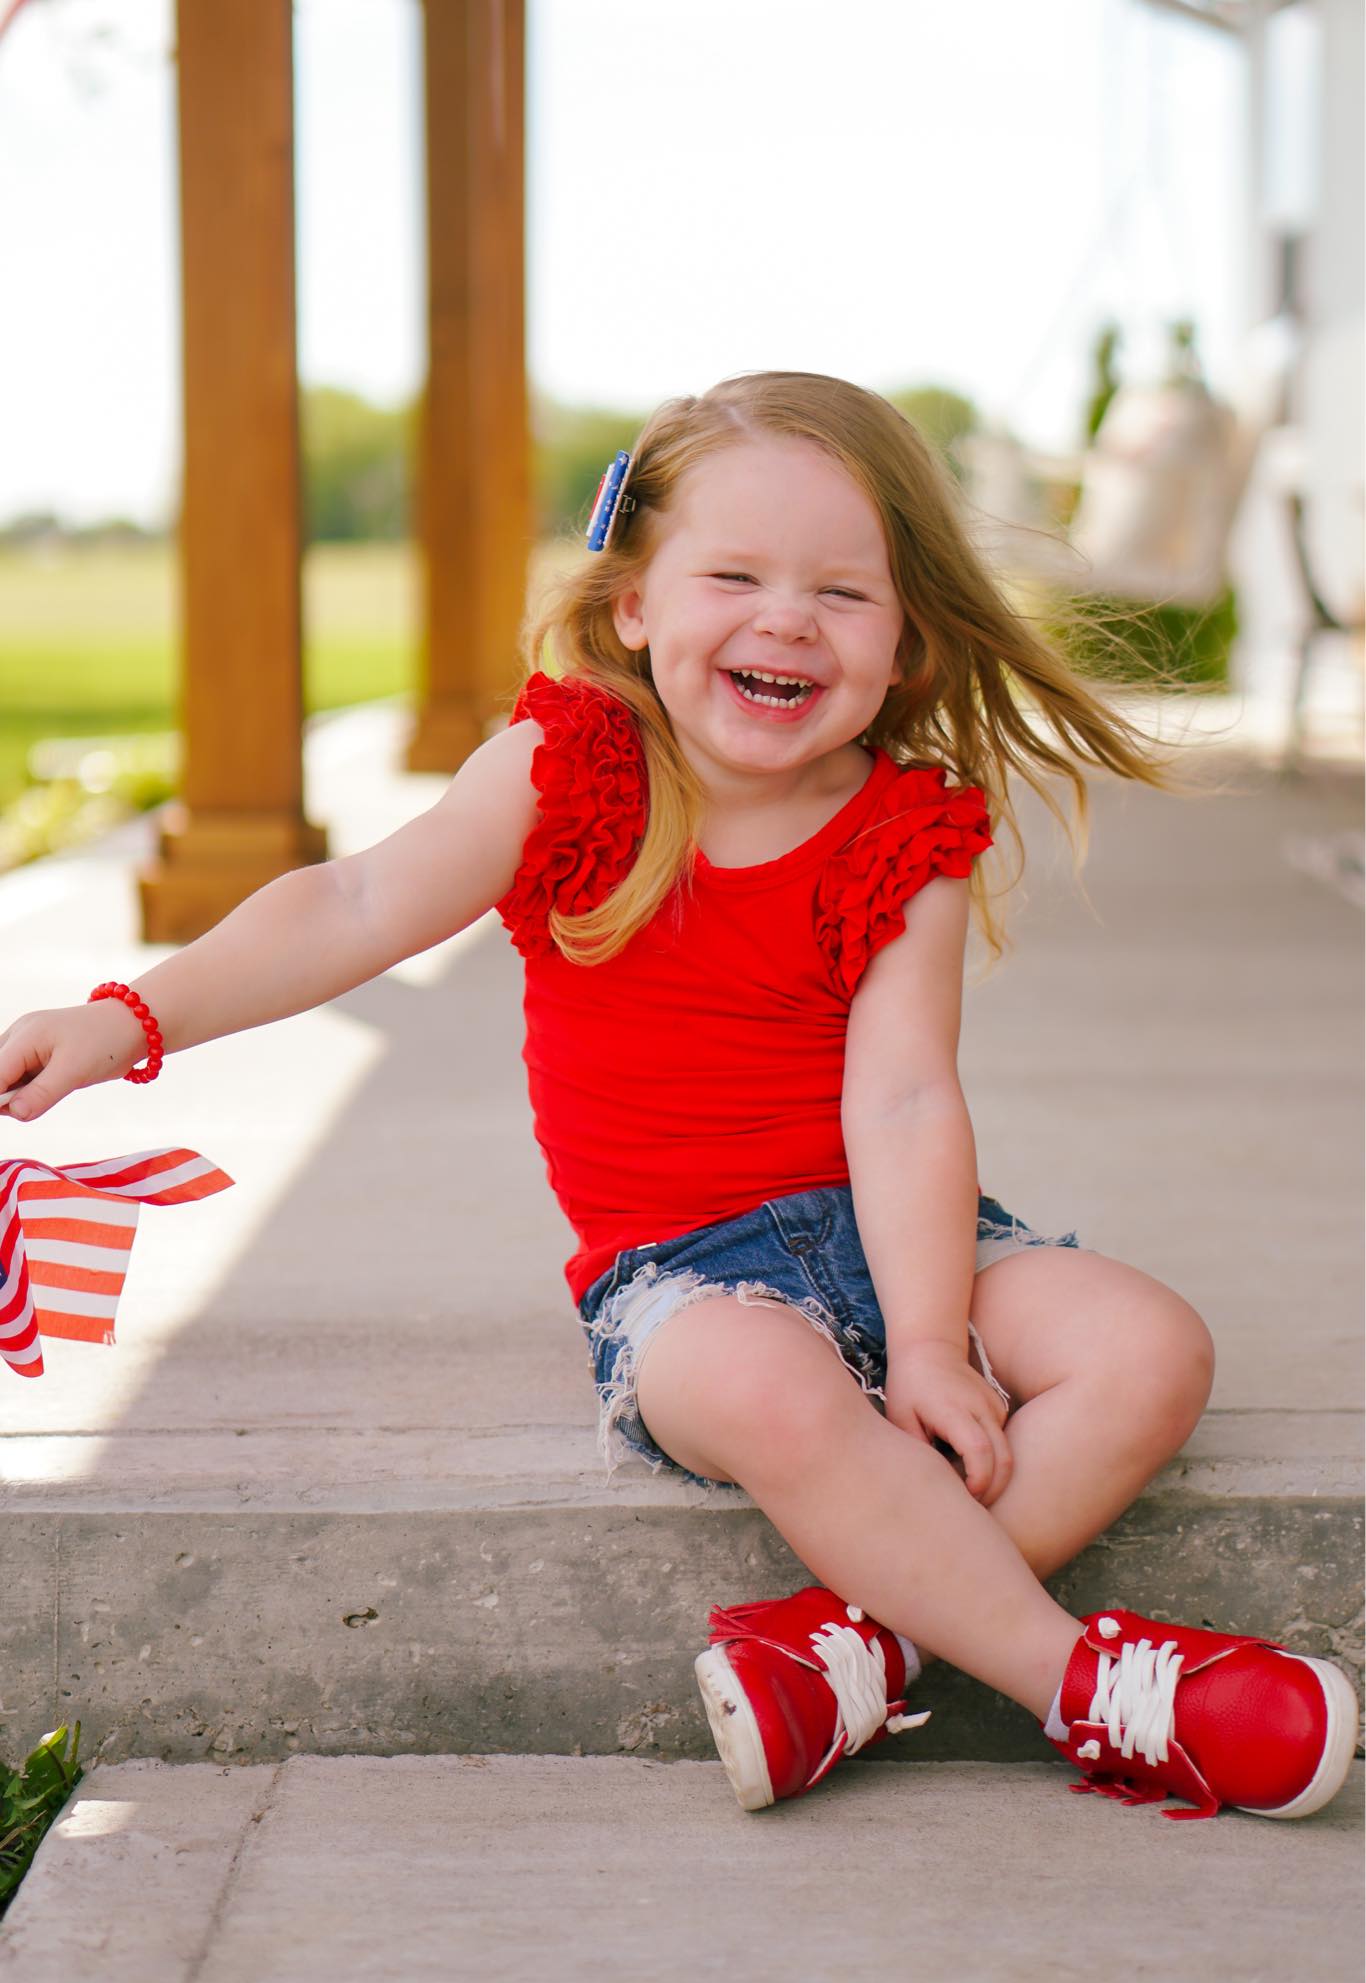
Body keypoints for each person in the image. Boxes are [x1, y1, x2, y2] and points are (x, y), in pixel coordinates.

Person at [0, 371, 1355, 1822]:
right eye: (734, 576)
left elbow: (902, 1104)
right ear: (634, 601)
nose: (786, 619)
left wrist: (932, 1338)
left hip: (889, 1234)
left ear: (904, 642)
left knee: (1149, 1348)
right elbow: (357, 898)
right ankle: (1082, 1686)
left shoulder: (906, 833)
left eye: (843, 591)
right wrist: (128, 1017)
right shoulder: (569, 768)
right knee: (770, 1388)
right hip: (679, 1280)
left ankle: (851, 1653)